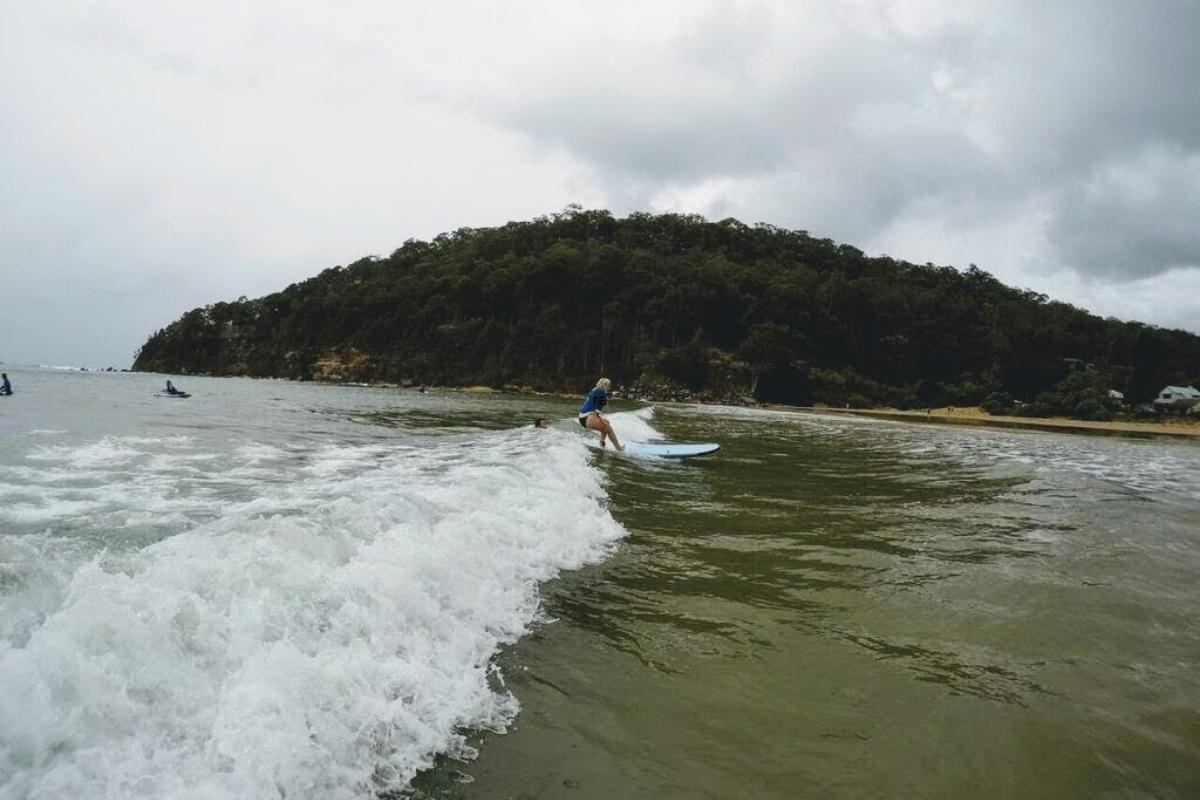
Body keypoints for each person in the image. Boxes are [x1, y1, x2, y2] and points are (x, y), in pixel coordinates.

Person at [578, 377, 623, 450]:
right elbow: (597, 410)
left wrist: (611, 394)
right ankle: (619, 449)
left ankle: (602, 442)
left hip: (581, 418)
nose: (609, 387)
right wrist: (601, 418)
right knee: (609, 428)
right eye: (608, 385)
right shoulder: (601, 392)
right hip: (589, 417)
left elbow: (600, 396)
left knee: (606, 423)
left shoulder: (594, 390)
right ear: (605, 385)